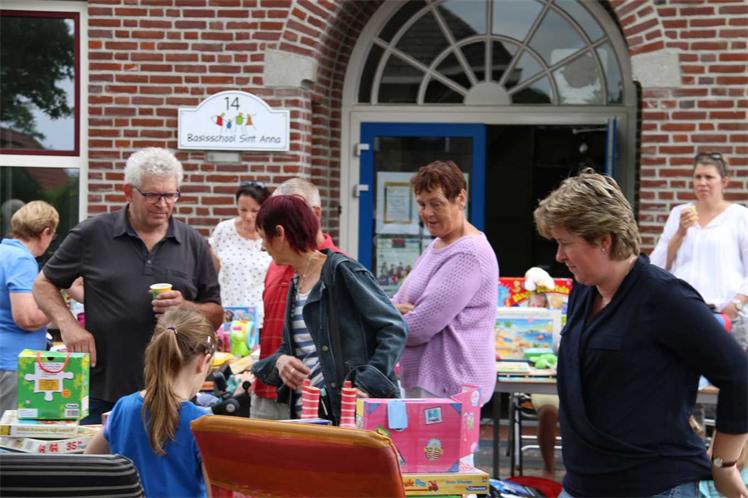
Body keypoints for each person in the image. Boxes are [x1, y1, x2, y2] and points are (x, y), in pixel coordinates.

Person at [533, 168, 748, 498]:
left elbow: (739, 375)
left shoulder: (664, 297)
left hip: (654, 485)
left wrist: (724, 464)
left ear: (604, 240)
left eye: (566, 244)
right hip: (584, 484)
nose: (559, 256)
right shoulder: (585, 291)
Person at [33, 147, 222, 424]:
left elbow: (216, 314)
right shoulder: (93, 234)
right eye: (152, 195)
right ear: (128, 192)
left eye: (170, 195)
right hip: (103, 392)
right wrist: (68, 325)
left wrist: (186, 307)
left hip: (173, 395)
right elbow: (43, 284)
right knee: (101, 454)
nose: (162, 204)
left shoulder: (192, 242)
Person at [251, 195, 407, 423]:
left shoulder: (342, 271)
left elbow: (394, 328)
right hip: (308, 418)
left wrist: (367, 383)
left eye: (264, 237)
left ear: (280, 233)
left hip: (348, 418)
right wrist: (280, 360)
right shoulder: (296, 281)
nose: (263, 247)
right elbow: (295, 347)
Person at [392, 160, 499, 406]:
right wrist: (394, 310)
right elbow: (399, 301)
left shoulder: (468, 253)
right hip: (431, 384)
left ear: (461, 198)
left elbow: (418, 328)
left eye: (436, 204)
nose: (427, 213)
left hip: (451, 386)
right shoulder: (438, 245)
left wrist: (384, 317)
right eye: (422, 204)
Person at [85, 308, 214, 498]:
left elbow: (89, 462)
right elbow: (216, 492)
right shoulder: (202, 423)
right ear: (203, 362)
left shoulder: (124, 407)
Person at [251, 178, 341, 420]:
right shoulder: (277, 262)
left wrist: (364, 382)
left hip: (309, 399)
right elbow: (275, 329)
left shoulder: (337, 267)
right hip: (266, 392)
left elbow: (382, 331)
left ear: (315, 213)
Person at [650, 152, 748, 350]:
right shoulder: (679, 214)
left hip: (726, 316)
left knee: (726, 369)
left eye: (709, 177)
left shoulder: (740, 216)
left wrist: (736, 305)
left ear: (724, 182)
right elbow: (658, 265)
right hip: (684, 313)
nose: (702, 183)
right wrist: (680, 232)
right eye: (698, 177)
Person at [0, 201, 59, 413]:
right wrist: (57, 308)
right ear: (45, 232)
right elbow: (27, 318)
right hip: (13, 362)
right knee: (7, 431)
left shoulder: (3, 252)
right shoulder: (22, 260)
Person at [210, 180, 272, 326]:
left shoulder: (271, 236)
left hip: (260, 318)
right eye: (243, 210)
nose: (248, 216)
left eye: (254, 211)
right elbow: (212, 273)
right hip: (226, 315)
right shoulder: (223, 230)